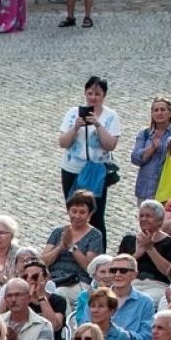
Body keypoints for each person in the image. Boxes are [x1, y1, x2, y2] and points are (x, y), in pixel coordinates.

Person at [58, 78, 122, 248]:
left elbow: (110, 145)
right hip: (72, 169)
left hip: (96, 172)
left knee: (96, 214)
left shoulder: (111, 116)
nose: (93, 98)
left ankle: (99, 253)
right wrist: (75, 128)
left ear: (104, 96)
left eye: (97, 94)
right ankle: (74, 248)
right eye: (90, 93)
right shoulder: (73, 113)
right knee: (75, 212)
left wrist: (98, 125)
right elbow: (63, 143)